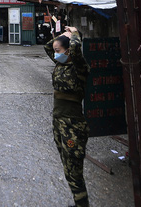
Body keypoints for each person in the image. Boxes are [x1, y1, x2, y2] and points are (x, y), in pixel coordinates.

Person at [44, 26, 90, 207]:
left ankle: (82, 204)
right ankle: (79, 202)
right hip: (58, 122)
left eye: (59, 51)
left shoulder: (79, 67)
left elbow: (77, 49)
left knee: (74, 170)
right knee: (67, 167)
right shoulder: (60, 64)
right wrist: (61, 36)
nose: (55, 54)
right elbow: (47, 47)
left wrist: (75, 33)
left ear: (69, 50)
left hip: (73, 125)